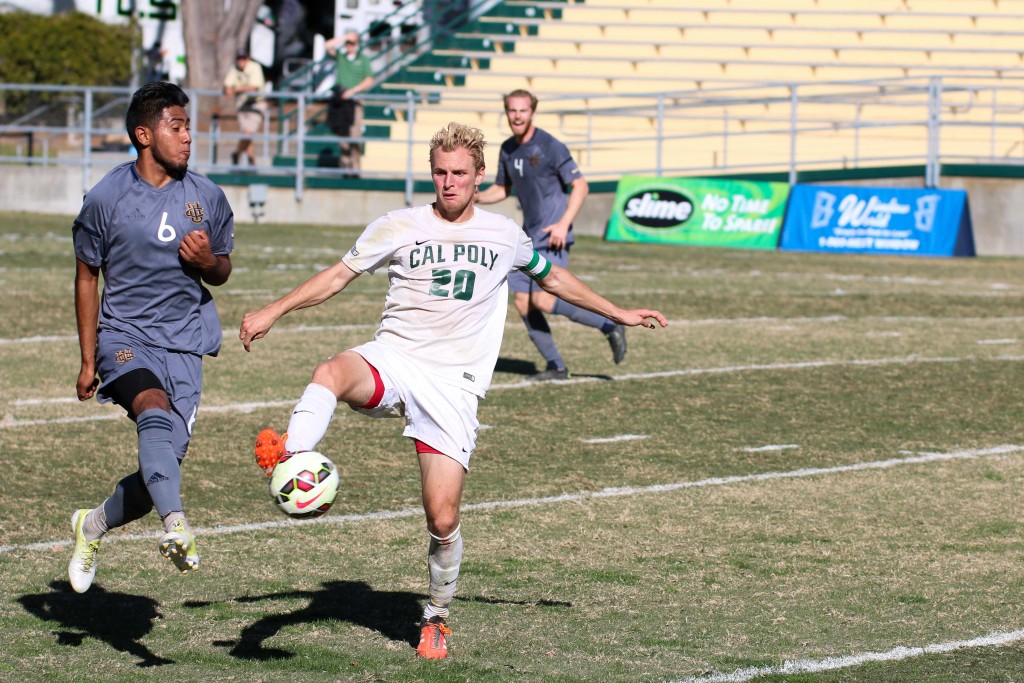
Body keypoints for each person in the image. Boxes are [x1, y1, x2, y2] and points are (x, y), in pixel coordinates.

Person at [238, 122, 666, 659]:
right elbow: (336, 276)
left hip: (453, 386)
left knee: (441, 518)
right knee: (329, 371)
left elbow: (552, 279)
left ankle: (436, 615)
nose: (448, 182)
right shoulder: (397, 225)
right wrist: (273, 310)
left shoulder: (504, 234)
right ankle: (291, 458)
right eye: (440, 172)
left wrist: (619, 312)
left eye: (459, 173)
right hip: (394, 358)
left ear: (479, 175)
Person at [68, 81, 235, 594]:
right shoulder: (106, 197)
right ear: (144, 134)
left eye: (189, 127)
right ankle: (177, 526)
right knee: (152, 407)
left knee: (160, 468)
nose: (188, 137)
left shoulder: (207, 196)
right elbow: (86, 276)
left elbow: (223, 269)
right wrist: (87, 359)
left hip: (185, 342)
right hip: (124, 336)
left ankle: (92, 525)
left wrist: (208, 262)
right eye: (176, 127)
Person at [476, 89, 627, 381]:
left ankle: (610, 325)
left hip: (553, 234)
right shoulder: (508, 149)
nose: (517, 116)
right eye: (512, 110)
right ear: (506, 113)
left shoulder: (550, 146)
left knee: (544, 300)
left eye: (522, 110)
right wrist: (475, 197)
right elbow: (503, 189)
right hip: (528, 236)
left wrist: (563, 224)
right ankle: (556, 366)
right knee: (522, 302)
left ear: (532, 112)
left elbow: (581, 186)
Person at [323, 29, 373, 173]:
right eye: (348, 43)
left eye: (352, 43)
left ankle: (355, 168)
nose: (349, 46)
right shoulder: (341, 57)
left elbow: (369, 80)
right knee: (343, 136)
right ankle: (344, 168)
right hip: (341, 102)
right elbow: (327, 45)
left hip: (354, 101)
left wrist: (353, 90)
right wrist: (345, 36)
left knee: (354, 135)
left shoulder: (363, 59)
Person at [223, 47, 267, 167]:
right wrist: (228, 89)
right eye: (239, 58)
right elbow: (227, 83)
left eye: (243, 58)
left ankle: (237, 154)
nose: (241, 61)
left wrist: (235, 89)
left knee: (248, 132)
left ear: (248, 59)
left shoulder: (255, 67)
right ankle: (251, 160)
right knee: (246, 133)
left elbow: (253, 86)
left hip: (256, 104)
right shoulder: (234, 68)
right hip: (242, 104)